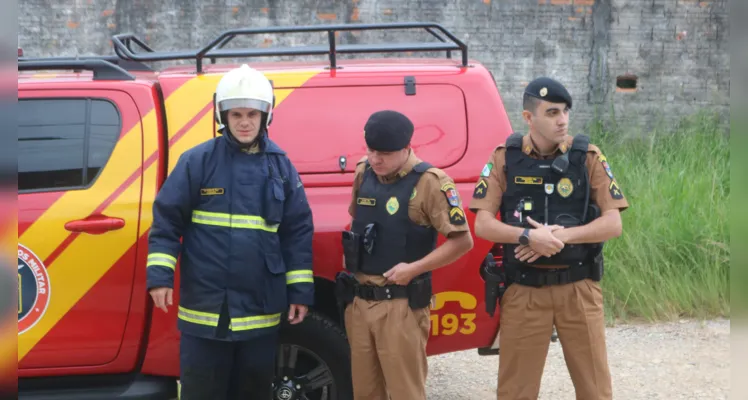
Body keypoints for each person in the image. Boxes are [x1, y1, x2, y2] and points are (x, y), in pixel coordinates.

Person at [145, 64, 315, 400]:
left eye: (252, 113)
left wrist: (300, 292)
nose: (244, 122)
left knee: (251, 392)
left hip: (260, 310)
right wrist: (160, 277)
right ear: (223, 115)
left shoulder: (281, 166)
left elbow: (297, 232)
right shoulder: (197, 162)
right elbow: (166, 220)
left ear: (266, 115)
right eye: (236, 114)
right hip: (206, 311)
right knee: (201, 391)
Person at [470, 77, 628, 400]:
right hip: (525, 291)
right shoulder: (505, 158)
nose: (563, 120)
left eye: (565, 111)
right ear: (529, 118)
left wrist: (562, 237)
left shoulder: (587, 157)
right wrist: (527, 236)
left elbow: (613, 223)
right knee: (515, 392)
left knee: (595, 390)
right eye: (552, 112)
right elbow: (482, 224)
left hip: (579, 289)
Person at [336, 110, 474, 400]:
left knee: (404, 392)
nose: (376, 159)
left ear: (407, 149)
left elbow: (462, 241)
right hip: (360, 302)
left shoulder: (430, 182)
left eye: (384, 153)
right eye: (371, 151)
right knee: (364, 392)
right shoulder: (363, 172)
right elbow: (358, 220)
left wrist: (414, 268)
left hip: (400, 305)